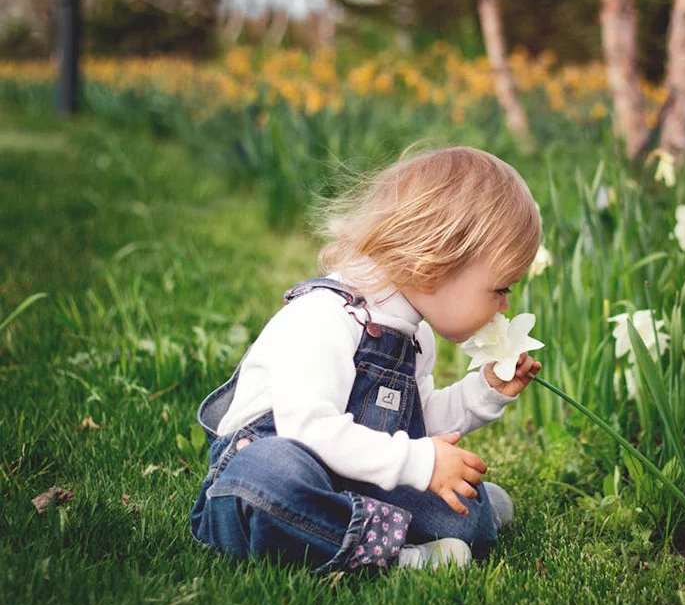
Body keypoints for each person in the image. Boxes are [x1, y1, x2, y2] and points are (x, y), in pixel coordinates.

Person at [189, 146, 543, 573]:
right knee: (271, 478)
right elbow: (308, 430)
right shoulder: (325, 316)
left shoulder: (415, 336)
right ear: (434, 265)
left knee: (467, 515)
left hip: (352, 474)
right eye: (500, 288)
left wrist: (483, 392)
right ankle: (395, 556)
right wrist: (420, 463)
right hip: (269, 474)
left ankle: (434, 519)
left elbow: (416, 423)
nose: (504, 306)